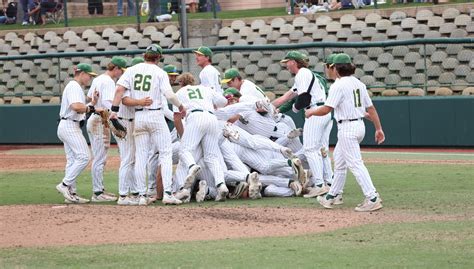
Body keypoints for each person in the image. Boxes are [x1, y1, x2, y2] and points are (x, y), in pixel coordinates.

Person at [305, 53, 385, 212]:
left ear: (335, 68)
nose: (328, 69)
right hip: (359, 125)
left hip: (348, 128)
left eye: (329, 66)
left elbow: (327, 109)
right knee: (340, 163)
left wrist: (311, 112)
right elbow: (370, 109)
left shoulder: (338, 85)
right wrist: (378, 128)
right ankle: (332, 196)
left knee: (355, 164)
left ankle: (372, 197)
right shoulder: (358, 83)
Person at [110, 44, 187, 205]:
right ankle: (167, 194)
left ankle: (142, 196)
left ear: (145, 55)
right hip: (156, 114)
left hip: (139, 116)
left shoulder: (131, 69)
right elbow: (169, 94)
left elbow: (119, 91)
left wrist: (114, 110)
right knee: (165, 154)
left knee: (141, 157)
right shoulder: (160, 72)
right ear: (158, 57)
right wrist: (180, 106)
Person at [272, 51, 332, 198]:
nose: (286, 65)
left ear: (294, 61)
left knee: (311, 149)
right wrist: (270, 106)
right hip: (322, 111)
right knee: (320, 149)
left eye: (288, 62)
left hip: (315, 111)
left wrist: (295, 108)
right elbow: (288, 96)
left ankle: (319, 185)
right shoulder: (304, 74)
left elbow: (304, 98)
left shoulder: (302, 73)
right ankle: (329, 182)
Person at [172, 72, 229, 201]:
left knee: (184, 150)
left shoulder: (179, 93)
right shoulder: (205, 89)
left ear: (181, 83)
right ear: (193, 82)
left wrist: (183, 136)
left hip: (195, 117)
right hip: (211, 118)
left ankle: (192, 167)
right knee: (211, 156)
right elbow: (224, 101)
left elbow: (176, 119)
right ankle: (221, 185)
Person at [55, 63, 100, 204]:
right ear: (82, 74)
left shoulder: (74, 86)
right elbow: (76, 107)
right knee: (84, 156)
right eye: (89, 75)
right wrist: (93, 110)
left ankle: (71, 193)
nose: (90, 79)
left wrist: (92, 103)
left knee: (73, 160)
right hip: (70, 125)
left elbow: (80, 106)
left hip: (67, 124)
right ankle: (64, 185)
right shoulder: (74, 86)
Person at [86, 57, 127, 203]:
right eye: (121, 70)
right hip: (100, 119)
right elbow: (110, 105)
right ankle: (97, 193)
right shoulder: (109, 81)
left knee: (100, 157)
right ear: (115, 68)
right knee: (99, 158)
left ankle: (100, 190)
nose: (121, 73)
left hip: (97, 119)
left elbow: (90, 97)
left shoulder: (98, 79)